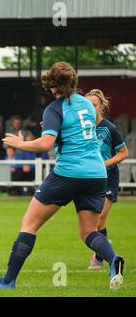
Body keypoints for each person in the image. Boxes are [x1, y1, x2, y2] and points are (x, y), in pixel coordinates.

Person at [0, 62, 124, 290]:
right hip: (96, 174)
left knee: (29, 224)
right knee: (89, 231)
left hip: (69, 172)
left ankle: (7, 282)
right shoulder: (88, 106)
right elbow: (74, 134)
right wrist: (55, 130)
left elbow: (46, 143)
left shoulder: (54, 109)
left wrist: (20, 143)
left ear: (51, 85)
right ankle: (113, 260)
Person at [85, 89, 129, 270]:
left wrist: (104, 164)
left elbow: (124, 153)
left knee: (99, 219)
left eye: (94, 105)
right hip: (89, 179)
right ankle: (104, 250)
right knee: (95, 222)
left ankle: (99, 257)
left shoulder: (110, 129)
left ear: (101, 107)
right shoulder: (81, 129)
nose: (90, 109)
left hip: (108, 177)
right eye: (87, 105)